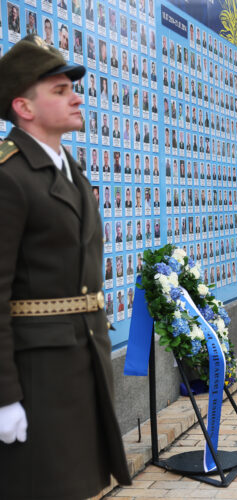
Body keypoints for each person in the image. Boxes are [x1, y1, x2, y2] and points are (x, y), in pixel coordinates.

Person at [0, 35, 131, 498]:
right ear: (24, 107)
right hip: (37, 374)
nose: (76, 96)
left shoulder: (69, 170)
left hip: (81, 357)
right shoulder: (9, 177)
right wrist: (4, 396)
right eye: (59, 90)